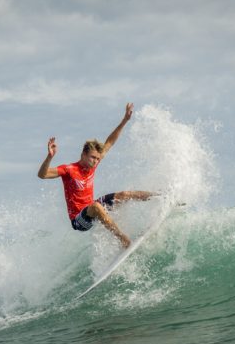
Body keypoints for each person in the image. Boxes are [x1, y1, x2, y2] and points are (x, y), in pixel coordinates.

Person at [37, 103, 155, 248]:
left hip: (92, 208)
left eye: (98, 159)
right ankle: (123, 240)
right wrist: (49, 157)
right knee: (97, 207)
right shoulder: (69, 169)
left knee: (124, 194)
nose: (96, 161)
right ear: (83, 154)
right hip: (79, 220)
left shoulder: (94, 163)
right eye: (93, 157)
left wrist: (124, 121)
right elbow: (42, 175)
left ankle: (160, 197)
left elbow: (110, 142)